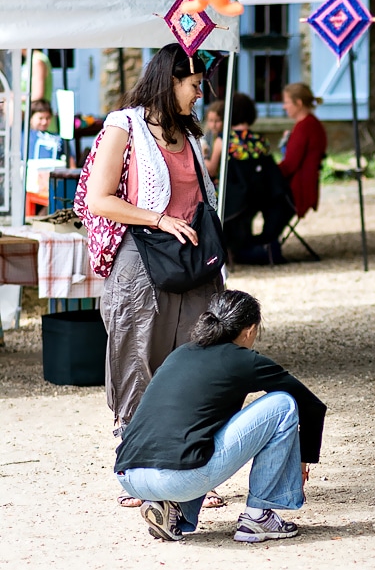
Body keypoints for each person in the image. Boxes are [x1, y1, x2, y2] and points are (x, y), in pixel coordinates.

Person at [74, 43, 224, 508]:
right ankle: (140, 474)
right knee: (140, 363)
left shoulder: (190, 134)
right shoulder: (126, 125)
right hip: (142, 262)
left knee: (197, 364)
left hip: (194, 263)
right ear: (171, 79)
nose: (200, 94)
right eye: (195, 85)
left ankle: (195, 474)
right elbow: (99, 199)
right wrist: (159, 220)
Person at [114, 290, 327, 543]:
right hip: (177, 479)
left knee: (198, 429)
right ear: (249, 331)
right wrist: (303, 460)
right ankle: (258, 516)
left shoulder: (180, 354)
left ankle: (172, 510)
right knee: (283, 404)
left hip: (129, 476)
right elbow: (311, 406)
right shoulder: (244, 360)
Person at [210, 93, 295, 265]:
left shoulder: (225, 139)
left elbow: (212, 169)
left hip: (232, 199)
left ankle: (222, 248)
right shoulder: (261, 140)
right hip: (260, 196)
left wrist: (204, 158)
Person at [280, 83, 327, 219]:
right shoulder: (311, 123)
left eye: (287, 102)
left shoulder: (305, 126)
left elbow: (289, 165)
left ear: (298, 103)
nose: (284, 106)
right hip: (303, 185)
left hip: (297, 188)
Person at [201, 99, 225, 169]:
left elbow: (212, 169)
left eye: (217, 121)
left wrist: (203, 155)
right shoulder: (208, 135)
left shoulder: (223, 138)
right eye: (210, 120)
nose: (213, 125)